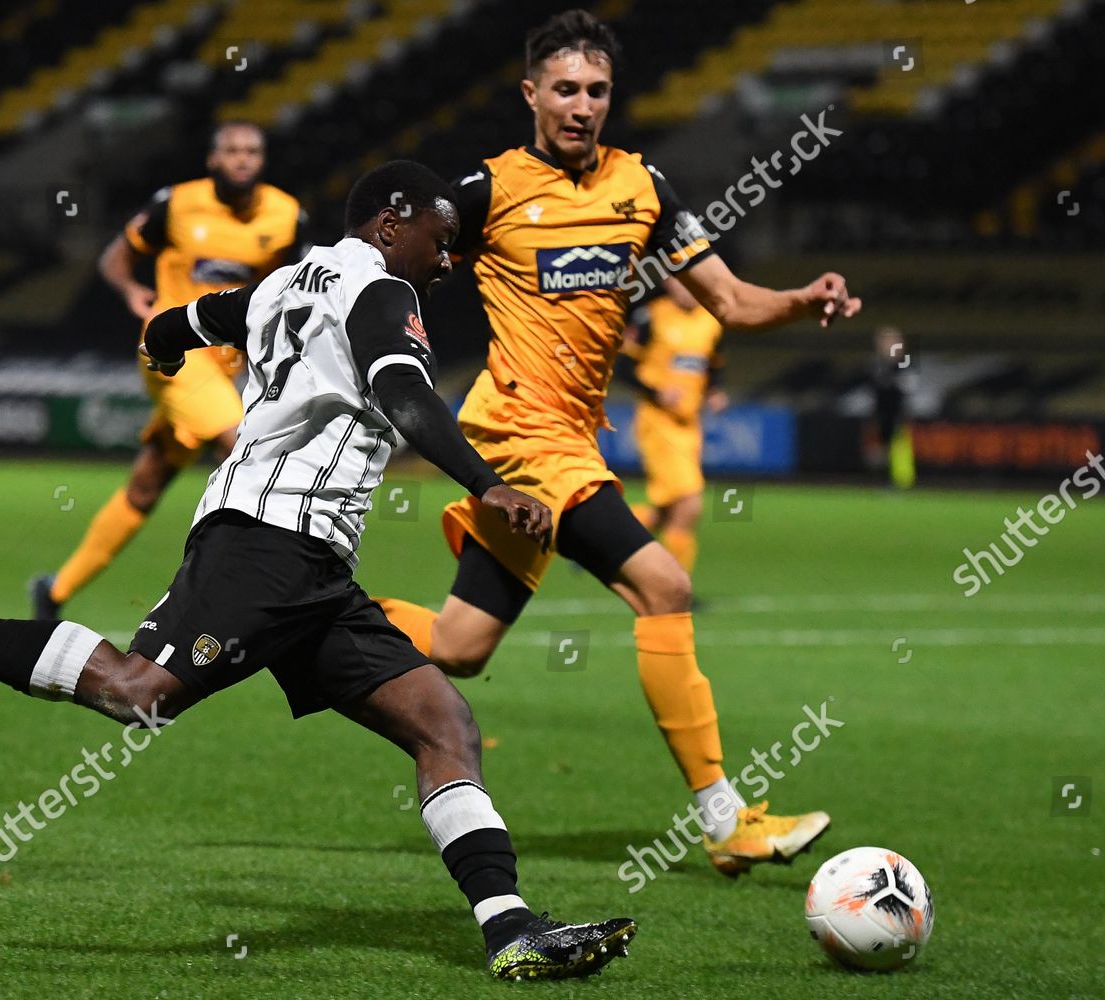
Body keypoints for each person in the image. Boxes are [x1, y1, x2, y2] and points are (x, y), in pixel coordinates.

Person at [0, 161, 636, 982]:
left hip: (313, 565)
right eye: (440, 236)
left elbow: (182, 321)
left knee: (441, 723)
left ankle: (511, 931)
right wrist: (488, 486)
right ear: (389, 223)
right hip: (265, 544)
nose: (448, 256)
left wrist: (161, 351)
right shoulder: (385, 292)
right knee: (138, 691)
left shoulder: (282, 282)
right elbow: (408, 398)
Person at [374, 10, 861, 877]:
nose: (582, 105)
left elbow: (735, 302)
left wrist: (802, 298)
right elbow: (389, 257)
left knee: (458, 648)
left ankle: (306, 620)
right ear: (531, 94)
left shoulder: (643, 188)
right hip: (521, 435)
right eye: (564, 89)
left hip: (568, 443)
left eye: (596, 90)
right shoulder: (488, 191)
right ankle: (725, 819)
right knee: (664, 584)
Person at [32, 121, 307, 620]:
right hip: (172, 352)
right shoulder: (176, 204)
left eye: (252, 151)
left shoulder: (287, 216)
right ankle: (275, 589)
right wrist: (130, 290)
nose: (242, 159)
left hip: (229, 364)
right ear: (213, 159)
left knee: (148, 482)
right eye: (232, 150)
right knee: (247, 446)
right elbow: (116, 257)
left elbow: (299, 286)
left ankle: (53, 591)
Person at [619, 274, 728, 575]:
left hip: (690, 425)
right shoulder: (650, 317)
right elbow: (623, 367)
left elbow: (714, 364)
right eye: (683, 282)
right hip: (657, 423)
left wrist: (715, 392)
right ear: (668, 282)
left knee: (666, 512)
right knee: (690, 504)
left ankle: (600, 540)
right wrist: (657, 392)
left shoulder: (710, 321)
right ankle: (677, 585)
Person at [869, 325, 915, 489]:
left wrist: (892, 380)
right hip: (880, 412)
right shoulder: (878, 362)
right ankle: (881, 479)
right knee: (879, 448)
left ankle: (900, 481)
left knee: (898, 447)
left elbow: (908, 385)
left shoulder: (904, 361)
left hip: (898, 412)